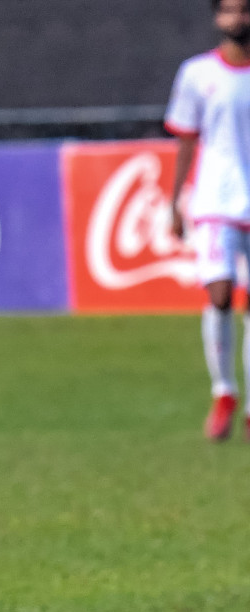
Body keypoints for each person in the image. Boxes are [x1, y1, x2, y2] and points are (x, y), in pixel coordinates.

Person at [169, 0, 250, 440]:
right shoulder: (197, 74)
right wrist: (173, 202)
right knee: (219, 294)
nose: (237, 19)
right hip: (216, 199)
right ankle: (224, 392)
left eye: (244, 10)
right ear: (217, 18)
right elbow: (186, 138)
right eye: (229, 11)